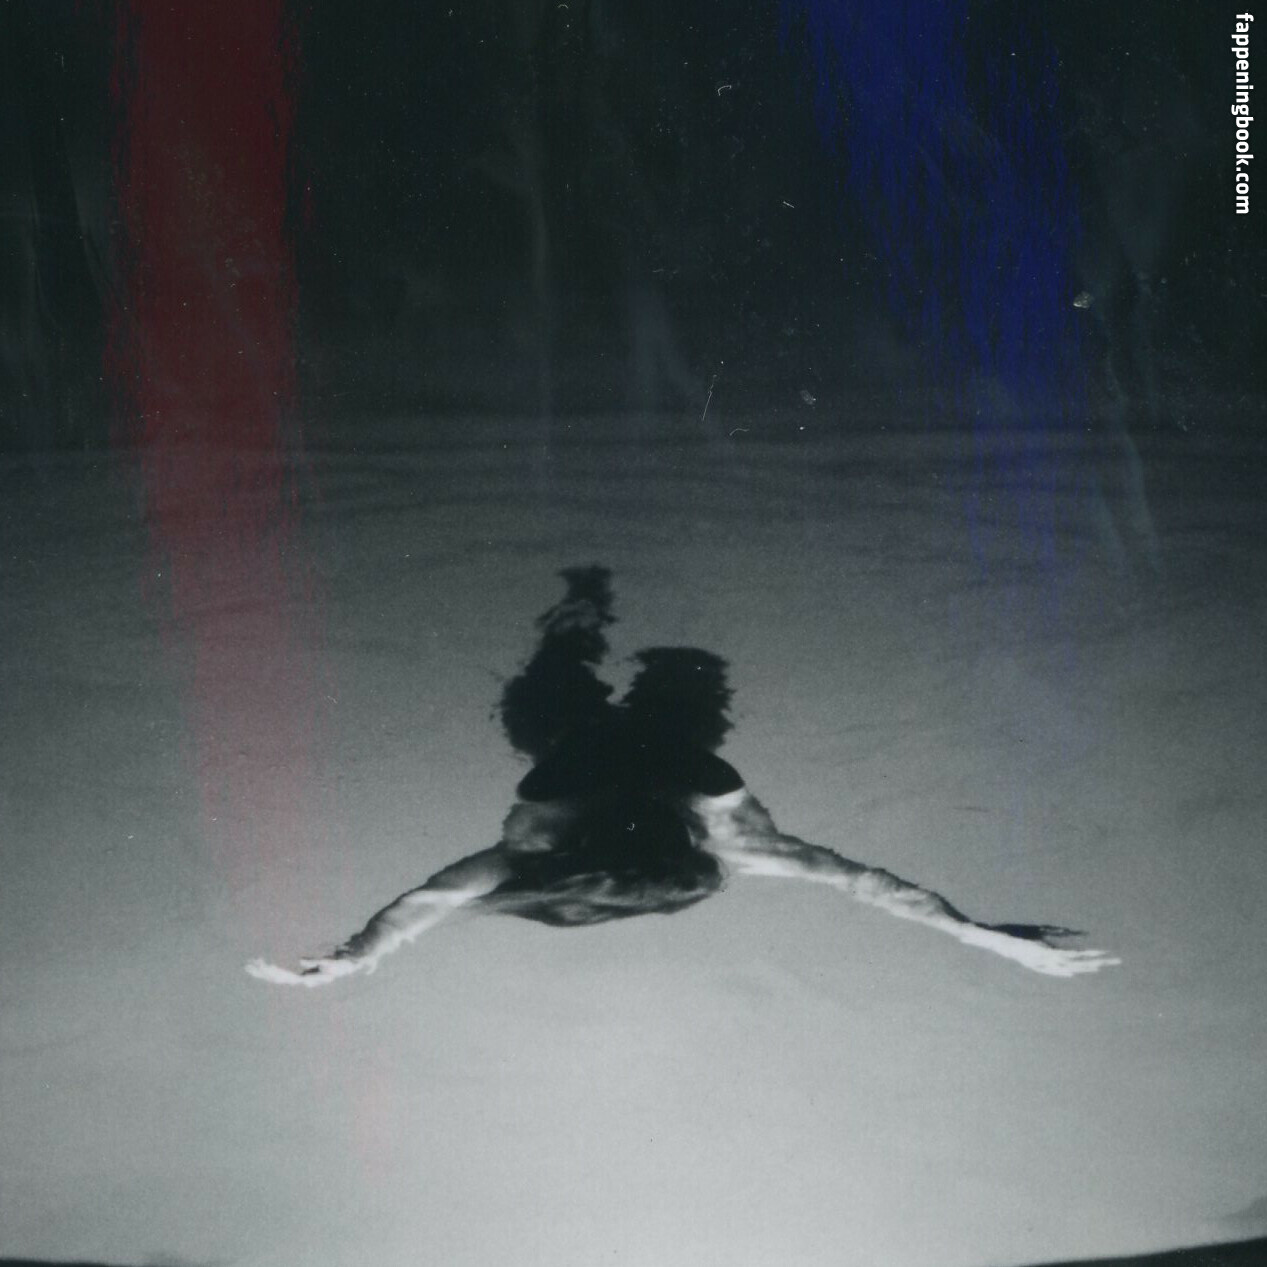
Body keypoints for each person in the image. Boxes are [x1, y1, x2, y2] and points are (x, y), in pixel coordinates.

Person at [246, 567, 1119, 986]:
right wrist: (980, 936)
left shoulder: (553, 845)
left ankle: (584, 614)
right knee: (670, 677)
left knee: (564, 678)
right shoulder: (727, 837)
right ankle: (596, 620)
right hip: (646, 742)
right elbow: (870, 886)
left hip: (588, 741)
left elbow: (430, 901)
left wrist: (358, 953)